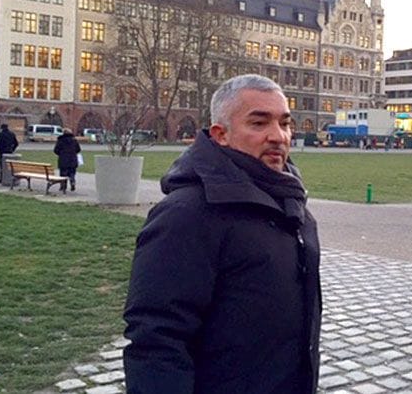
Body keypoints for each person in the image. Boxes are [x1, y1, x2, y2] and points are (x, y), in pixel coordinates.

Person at [123, 74, 321, 393]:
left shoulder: (290, 200)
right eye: (259, 123)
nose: (278, 136)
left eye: (285, 123)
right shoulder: (187, 214)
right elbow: (157, 339)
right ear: (221, 135)